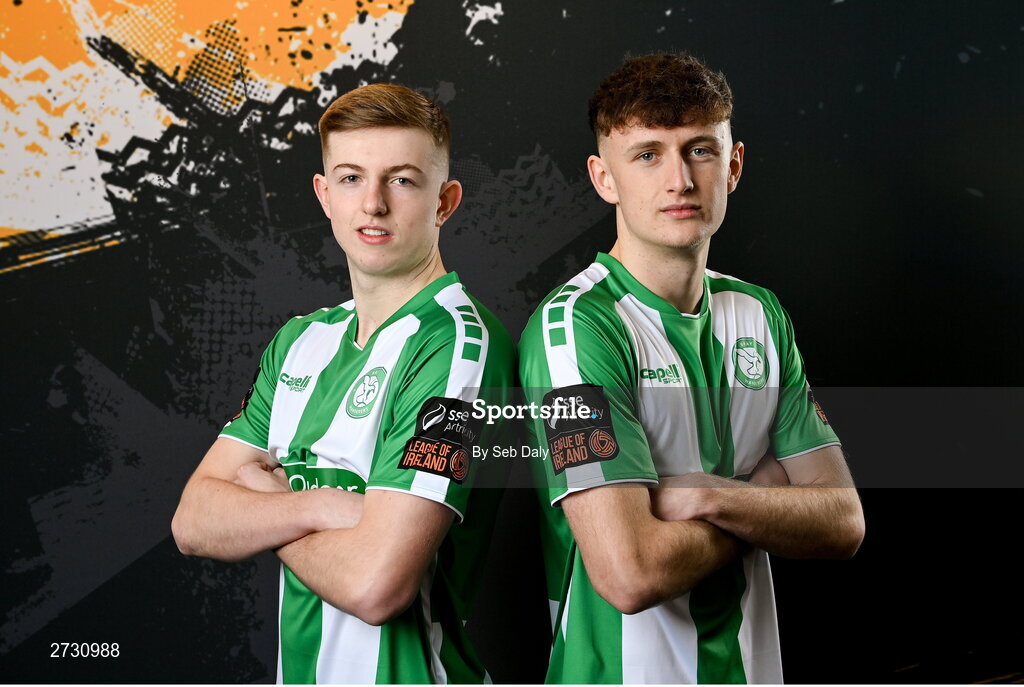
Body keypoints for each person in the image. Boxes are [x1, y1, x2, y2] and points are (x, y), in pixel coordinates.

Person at [518, 53, 865, 684]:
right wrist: (765, 501)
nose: (678, 179)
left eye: (699, 150)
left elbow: (842, 520)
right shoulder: (575, 330)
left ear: (732, 166)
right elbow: (630, 573)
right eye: (647, 154)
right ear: (604, 178)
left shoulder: (759, 312)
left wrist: (706, 495)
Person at [171, 83, 514, 684]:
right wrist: (322, 507)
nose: (373, 204)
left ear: (445, 200)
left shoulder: (457, 346)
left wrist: (270, 507)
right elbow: (193, 521)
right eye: (352, 178)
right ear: (324, 195)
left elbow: (376, 584)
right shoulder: (302, 341)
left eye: (403, 180)